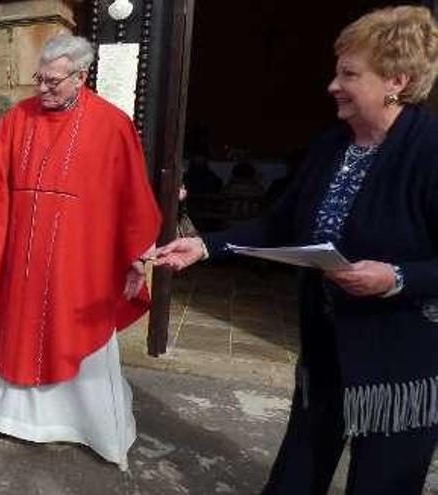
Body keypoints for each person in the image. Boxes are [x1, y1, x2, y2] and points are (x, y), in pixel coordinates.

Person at [154, 6, 438, 494]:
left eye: (349, 74)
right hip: (325, 349)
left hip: (398, 364)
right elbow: (280, 225)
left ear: (397, 79)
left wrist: (397, 278)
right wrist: (204, 247)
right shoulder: (331, 144)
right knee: (295, 477)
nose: (333, 85)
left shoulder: (430, 149)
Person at [0, 34, 162, 470]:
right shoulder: (20, 116)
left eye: (53, 81)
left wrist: (137, 254)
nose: (43, 89)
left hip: (79, 261)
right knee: (14, 329)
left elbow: (134, 195)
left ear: (80, 77)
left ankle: (87, 425)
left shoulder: (113, 124)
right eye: (40, 79)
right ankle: (4, 414)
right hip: (24, 259)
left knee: (74, 328)